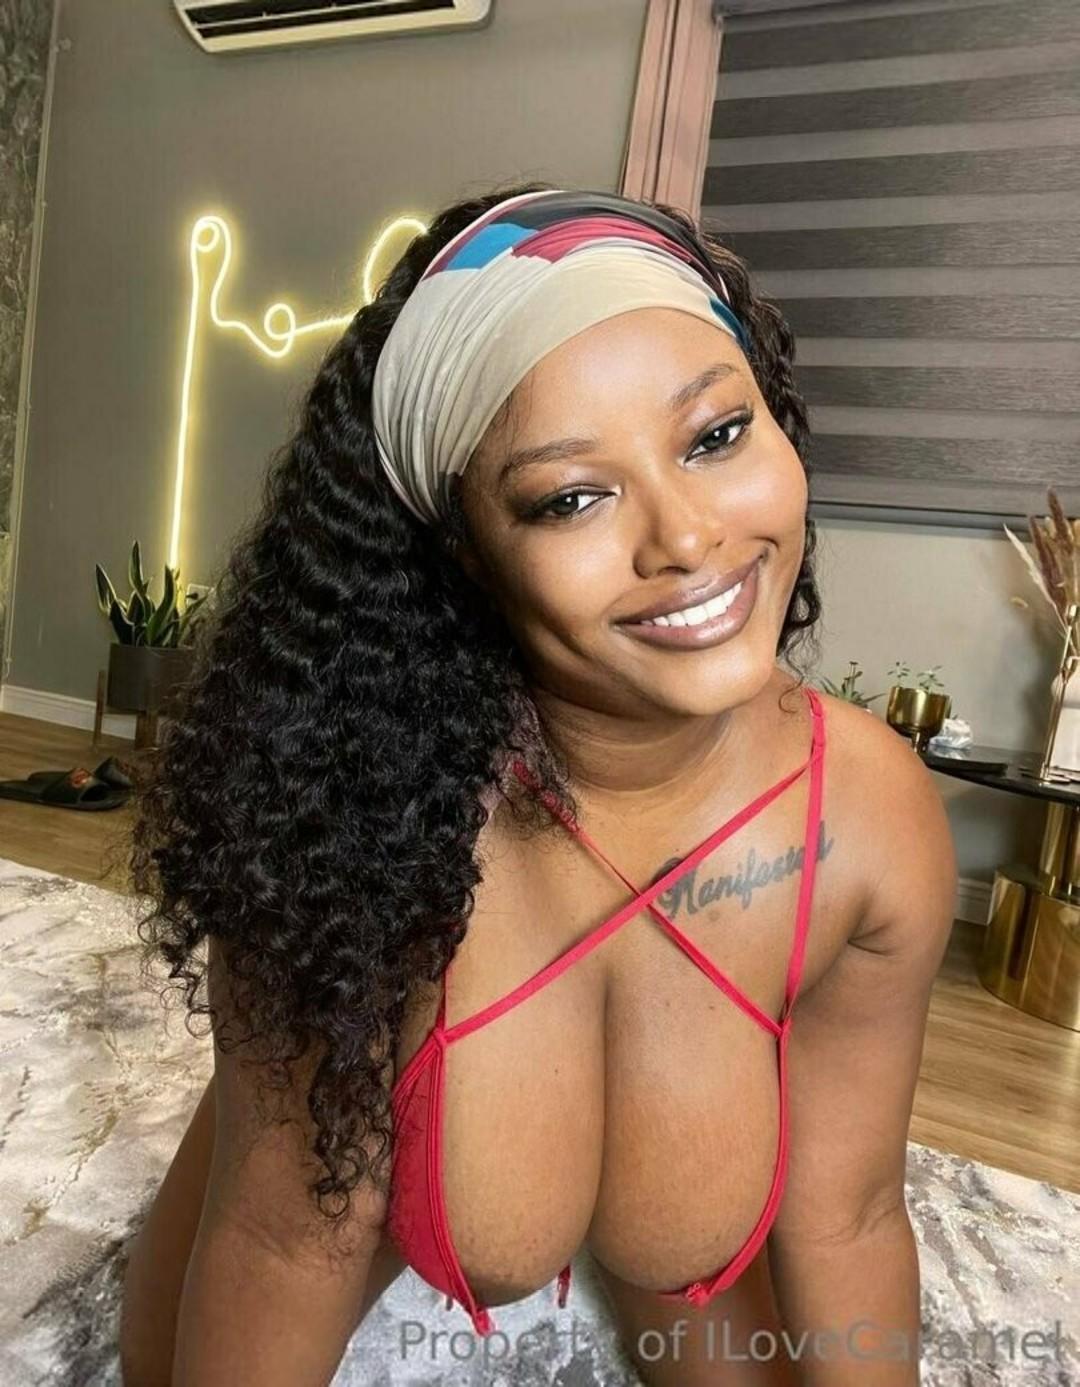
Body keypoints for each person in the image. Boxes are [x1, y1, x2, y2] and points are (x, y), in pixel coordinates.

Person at [119, 183, 957, 1386]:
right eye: (570, 497)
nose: (685, 540)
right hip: (344, 1166)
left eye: (716, 435)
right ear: (465, 549)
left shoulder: (867, 823)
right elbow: (281, 1240)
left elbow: (852, 1216)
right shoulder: (351, 824)